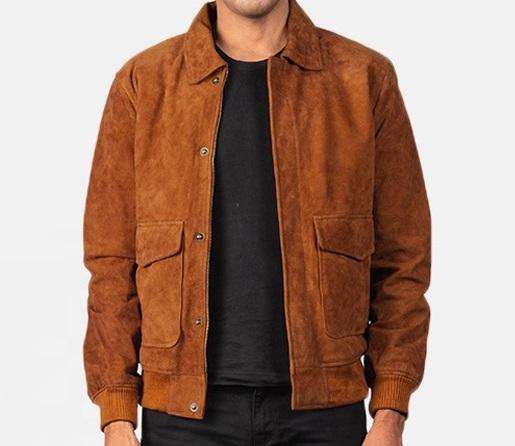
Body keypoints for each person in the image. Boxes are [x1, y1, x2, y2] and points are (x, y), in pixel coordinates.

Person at [83, 1, 431, 444]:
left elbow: (403, 260)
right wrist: (117, 416)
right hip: (181, 417)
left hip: (324, 411)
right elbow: (111, 264)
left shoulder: (364, 78)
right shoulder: (144, 82)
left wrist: (390, 412)